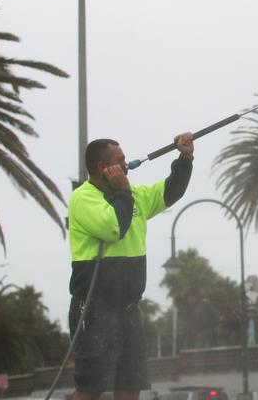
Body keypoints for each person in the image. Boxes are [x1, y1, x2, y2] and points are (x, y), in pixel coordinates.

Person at [68, 133, 195, 400]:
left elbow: (170, 191)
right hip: (94, 308)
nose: (126, 164)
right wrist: (123, 191)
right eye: (120, 160)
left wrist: (184, 158)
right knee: (91, 387)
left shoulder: (134, 195)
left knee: (130, 384)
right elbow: (115, 228)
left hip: (128, 309)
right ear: (104, 167)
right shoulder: (83, 198)